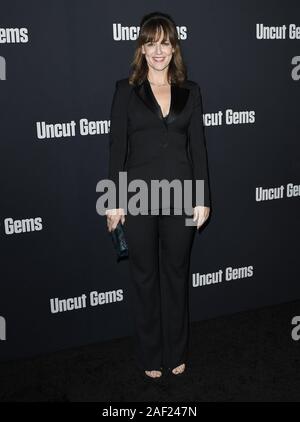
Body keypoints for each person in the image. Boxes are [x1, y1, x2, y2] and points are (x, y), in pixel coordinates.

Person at [105, 11, 211, 379]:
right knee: (145, 277)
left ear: (173, 47)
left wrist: (203, 198)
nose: (158, 50)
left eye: (164, 42)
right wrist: (113, 201)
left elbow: (198, 147)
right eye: (151, 43)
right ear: (142, 48)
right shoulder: (125, 90)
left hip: (182, 196)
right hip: (137, 197)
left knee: (176, 276)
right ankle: (151, 355)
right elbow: (117, 147)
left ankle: (176, 349)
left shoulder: (191, 91)